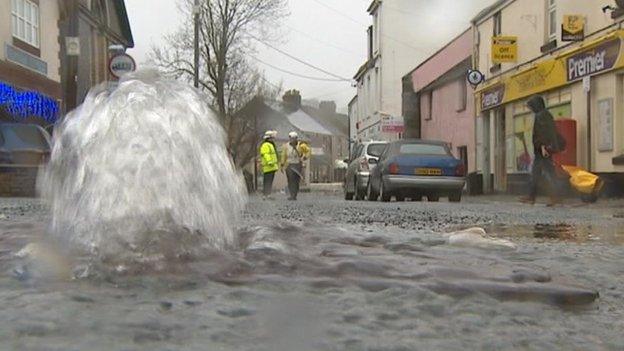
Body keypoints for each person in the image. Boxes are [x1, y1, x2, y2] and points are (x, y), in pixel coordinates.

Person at [520, 95, 561, 206]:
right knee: (536, 174)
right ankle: (532, 196)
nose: (531, 109)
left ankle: (554, 196)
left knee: (548, 174)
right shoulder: (545, 114)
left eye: (531, 106)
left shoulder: (541, 115)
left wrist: (543, 146)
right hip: (541, 150)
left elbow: (544, 132)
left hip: (543, 150)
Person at [280, 131, 310, 201]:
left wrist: (305, 157)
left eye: (294, 138)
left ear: (296, 138)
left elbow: (308, 151)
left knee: (296, 181)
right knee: (290, 180)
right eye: (291, 138)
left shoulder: (301, 145)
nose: (292, 140)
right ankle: (291, 194)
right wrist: (282, 164)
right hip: (289, 165)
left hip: (297, 164)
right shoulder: (286, 146)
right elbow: (283, 155)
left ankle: (294, 194)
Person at [259, 130, 279, 200]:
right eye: (272, 138)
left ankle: (268, 194)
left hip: (271, 166)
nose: (273, 139)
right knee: (267, 181)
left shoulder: (270, 144)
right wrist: (269, 161)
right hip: (268, 166)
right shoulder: (266, 145)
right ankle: (265, 194)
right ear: (269, 138)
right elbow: (266, 154)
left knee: (269, 181)